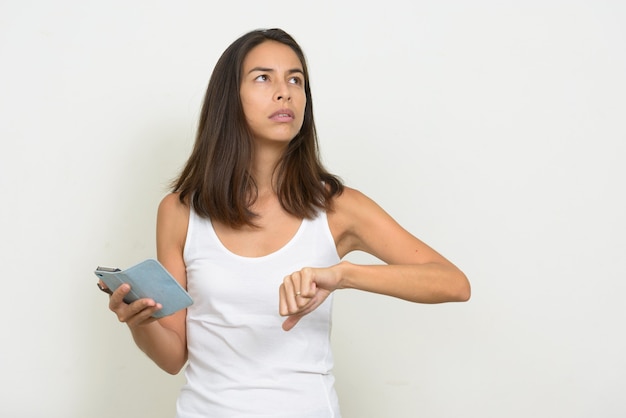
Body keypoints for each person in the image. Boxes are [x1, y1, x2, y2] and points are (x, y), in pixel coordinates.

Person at [101, 28, 470, 418]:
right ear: (230, 98)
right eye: (264, 78)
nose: (285, 92)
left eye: (296, 79)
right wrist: (137, 320)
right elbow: (174, 355)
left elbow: (452, 282)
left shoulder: (336, 207)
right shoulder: (180, 211)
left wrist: (343, 275)